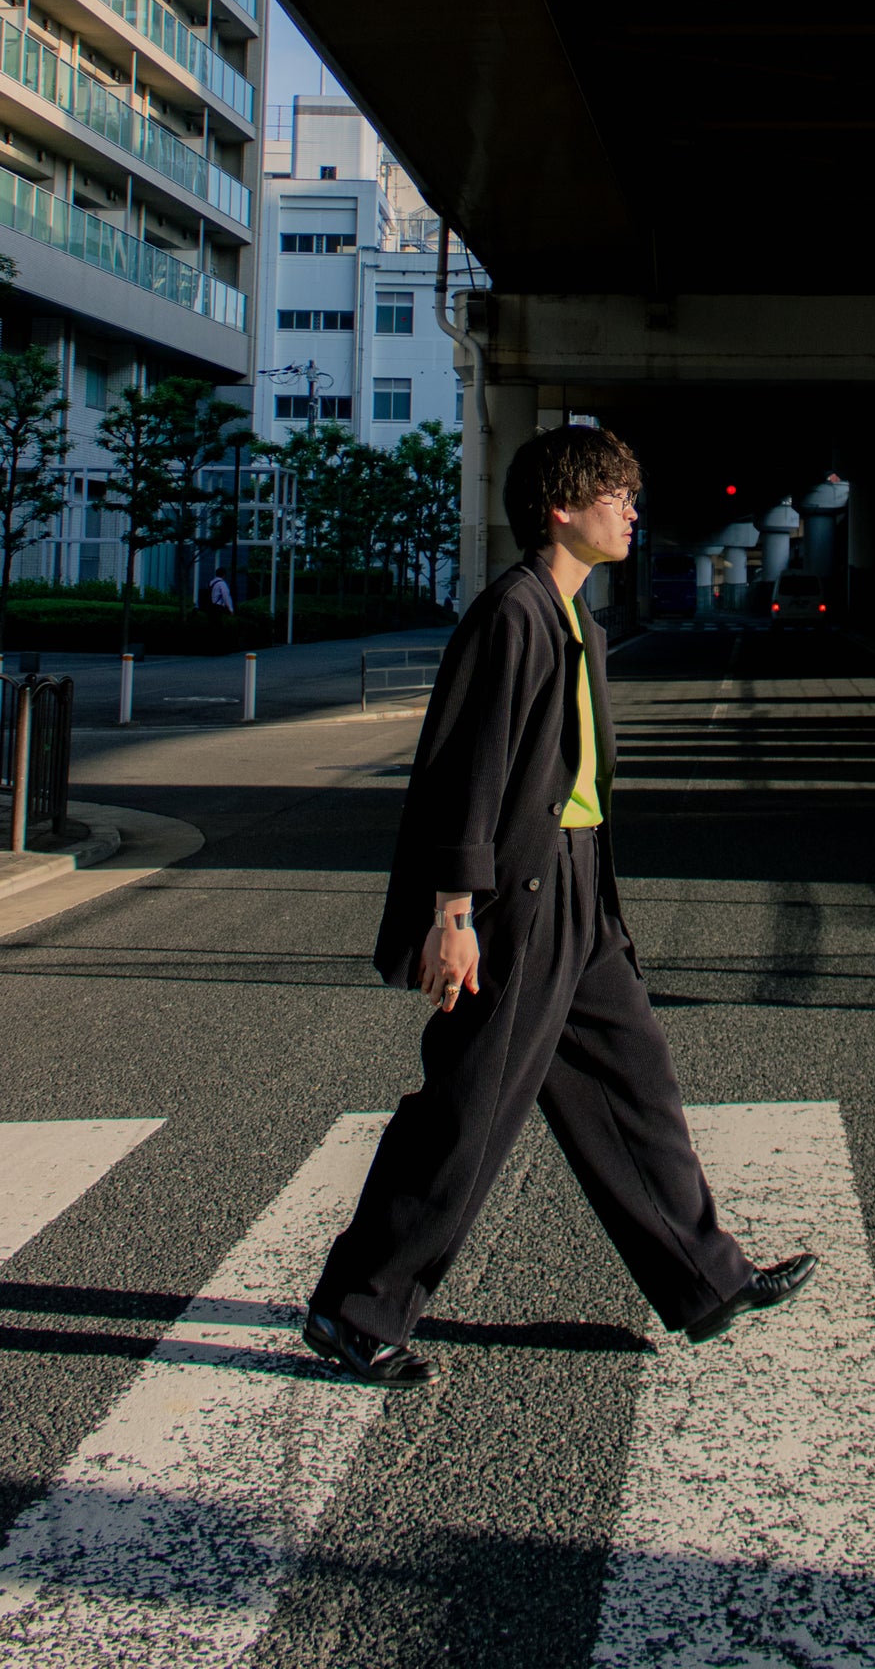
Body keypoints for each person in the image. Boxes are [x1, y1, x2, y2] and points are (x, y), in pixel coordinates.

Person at [304, 424, 816, 1386]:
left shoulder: (575, 615)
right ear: (560, 509)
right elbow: (465, 769)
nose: (632, 511)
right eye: (615, 496)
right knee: (469, 1107)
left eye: (631, 495)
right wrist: (453, 914)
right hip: (518, 895)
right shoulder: (513, 613)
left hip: (579, 884)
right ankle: (356, 1308)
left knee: (634, 1079)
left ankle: (707, 1277)